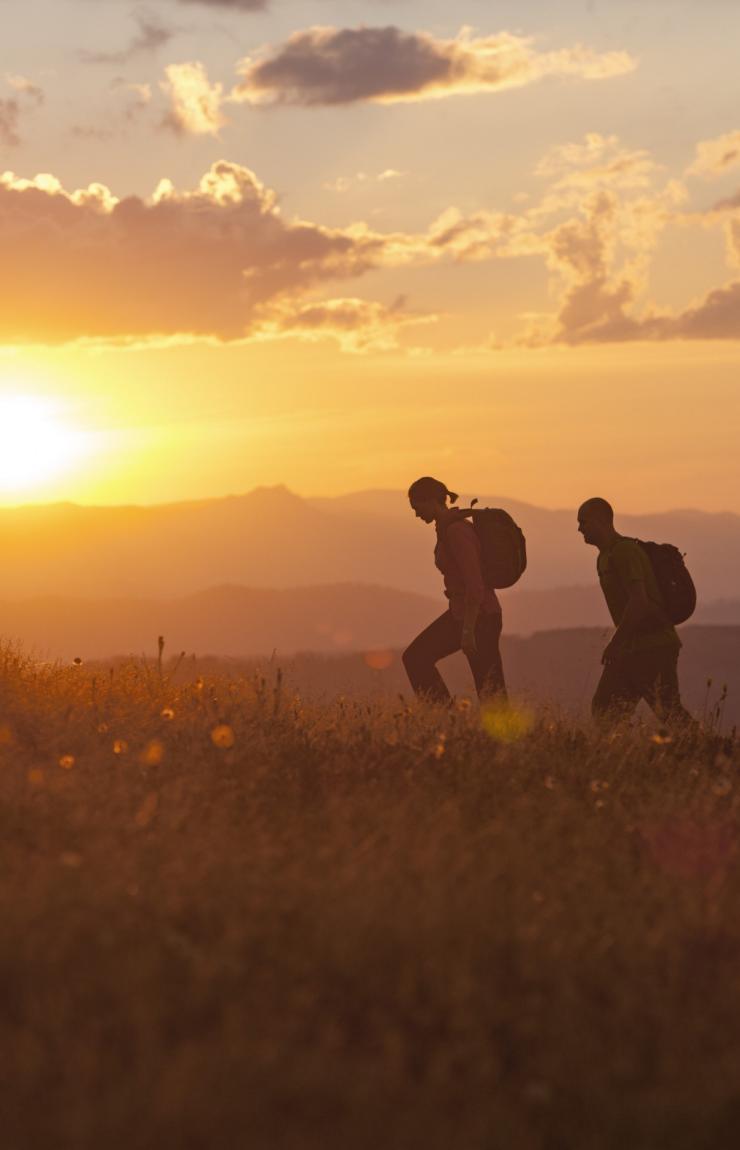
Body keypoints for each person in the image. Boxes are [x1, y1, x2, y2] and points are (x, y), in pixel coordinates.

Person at [577, 497, 695, 726]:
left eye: (584, 522)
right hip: (630, 649)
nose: (579, 528)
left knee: (670, 713)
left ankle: (717, 755)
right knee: (605, 710)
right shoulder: (603, 558)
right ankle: (622, 759)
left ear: (601, 521)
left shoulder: (625, 552)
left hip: (653, 646)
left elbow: (640, 602)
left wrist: (614, 643)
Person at [402, 477, 506, 704]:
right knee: (416, 657)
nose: (417, 514)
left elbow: (475, 585)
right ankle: (447, 722)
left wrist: (468, 630)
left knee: (490, 690)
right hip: (465, 614)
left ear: (431, 501)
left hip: (480, 617)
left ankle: (452, 722)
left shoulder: (456, 531)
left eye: (417, 508)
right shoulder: (447, 528)